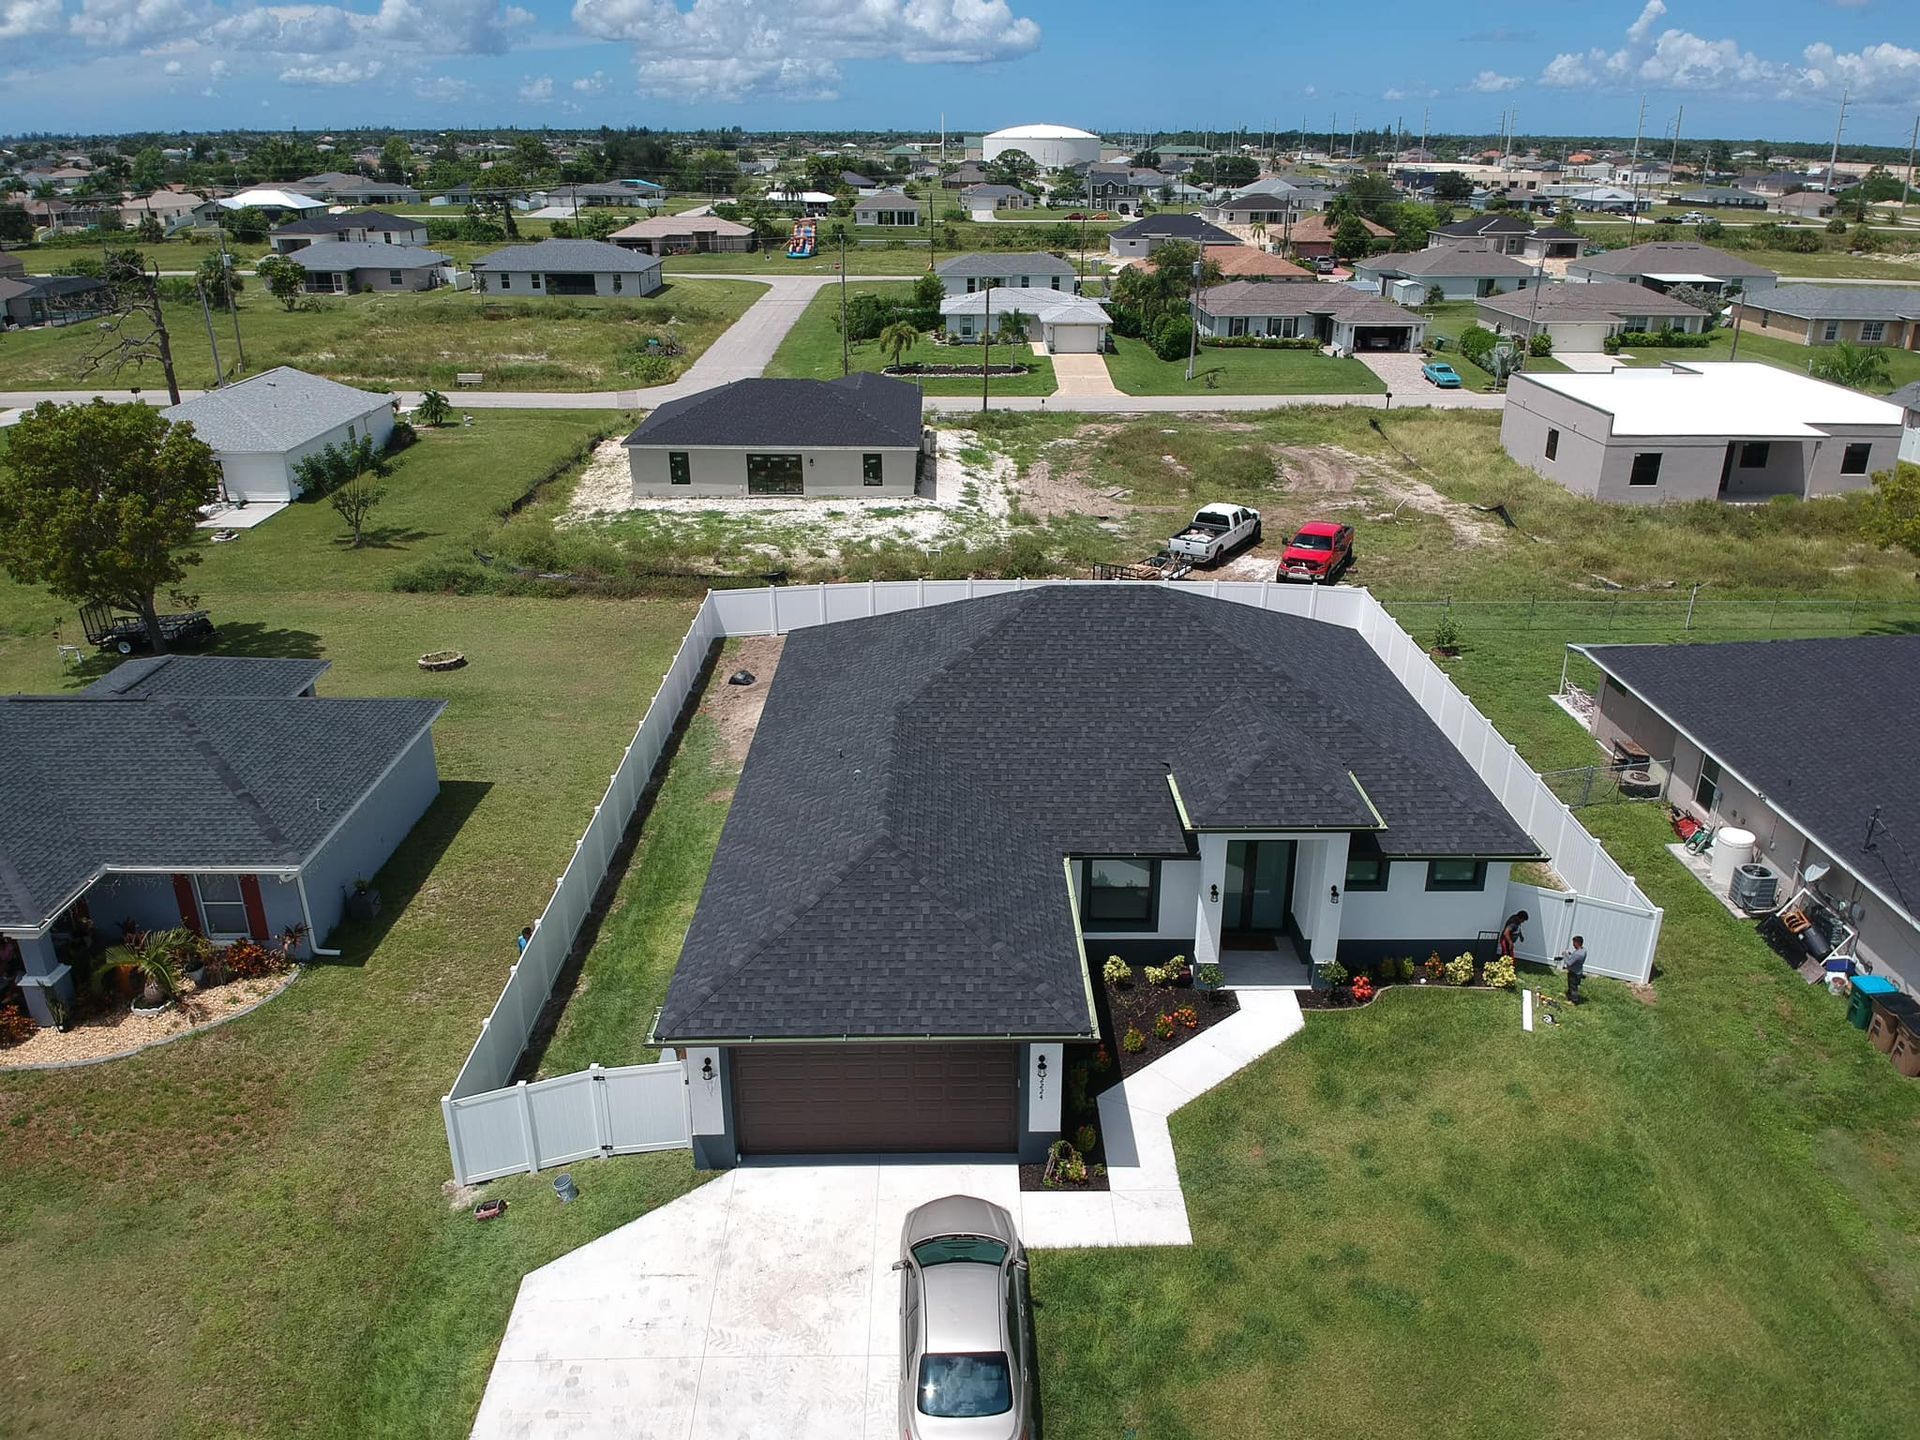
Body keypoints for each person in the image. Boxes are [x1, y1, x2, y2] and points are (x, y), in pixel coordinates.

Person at [1563, 935, 1587, 1004]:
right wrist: (1569, 954)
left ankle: (1574, 1001)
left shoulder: (1578, 954)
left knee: (1573, 987)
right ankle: (1568, 995)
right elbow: (1574, 958)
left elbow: (1569, 963)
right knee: (1571, 985)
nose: (1573, 945)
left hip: (1574, 973)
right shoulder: (1583, 950)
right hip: (1579, 971)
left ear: (1577, 943)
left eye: (1574, 943)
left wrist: (1564, 955)